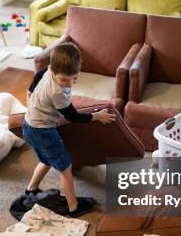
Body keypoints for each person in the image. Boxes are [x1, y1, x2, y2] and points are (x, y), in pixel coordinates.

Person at [23, 42, 115, 217]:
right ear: (53, 69)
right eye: (64, 79)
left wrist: (30, 91)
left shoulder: (48, 71)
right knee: (66, 168)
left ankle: (31, 190)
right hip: (43, 131)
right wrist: (97, 116)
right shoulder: (58, 92)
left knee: (46, 160)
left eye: (74, 78)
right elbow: (72, 116)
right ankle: (73, 207)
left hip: (28, 124)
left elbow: (38, 75)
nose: (68, 84)